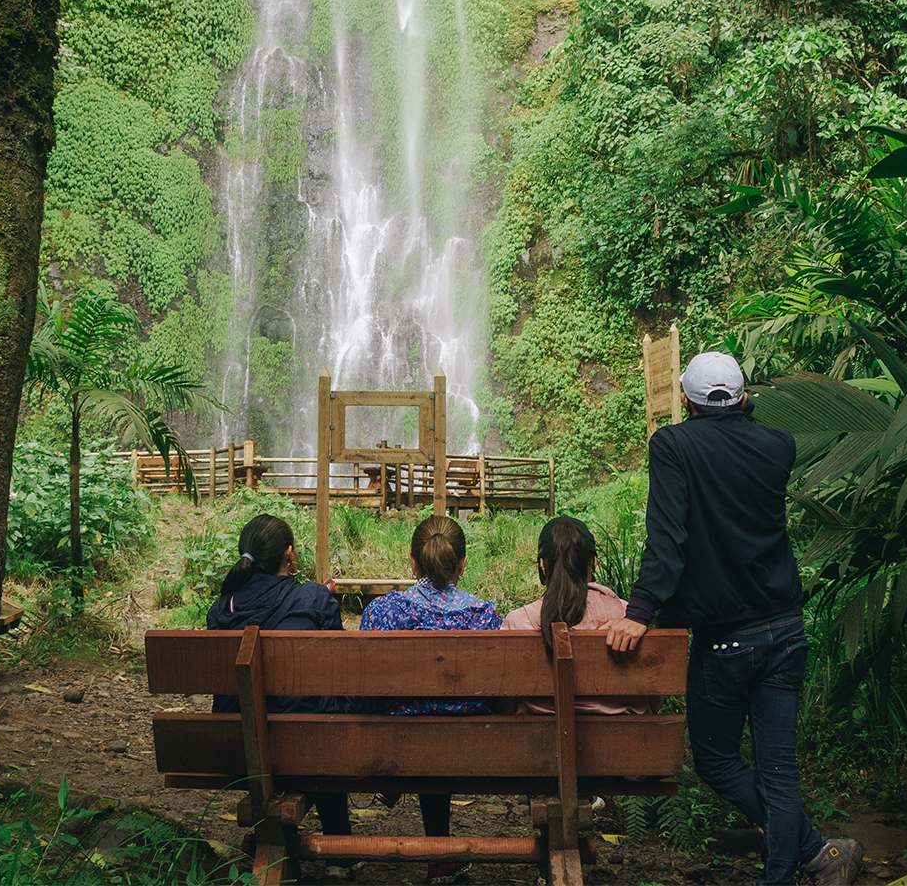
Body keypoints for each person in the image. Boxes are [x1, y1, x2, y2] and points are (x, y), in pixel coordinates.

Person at [601, 352, 863, 886]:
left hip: (725, 641)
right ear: (745, 398)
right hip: (787, 629)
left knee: (717, 761)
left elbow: (668, 538)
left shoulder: (673, 445)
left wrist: (641, 610)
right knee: (780, 772)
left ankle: (811, 854)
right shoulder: (779, 445)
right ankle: (815, 858)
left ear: (687, 403)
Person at [205, 514, 355, 874]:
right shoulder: (314, 598)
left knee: (305, 722)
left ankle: (271, 842)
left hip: (239, 748)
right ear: (290, 555)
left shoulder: (220, 610)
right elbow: (341, 674)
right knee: (321, 719)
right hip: (305, 745)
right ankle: (340, 849)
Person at [357, 515, 500, 885]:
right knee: (444, 727)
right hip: (471, 745)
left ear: (413, 562)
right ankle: (440, 852)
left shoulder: (383, 612)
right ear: (463, 563)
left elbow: (363, 687)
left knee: (415, 723)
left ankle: (400, 793)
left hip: (398, 742)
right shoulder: (484, 616)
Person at [500, 514, 651, 716]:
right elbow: (653, 696)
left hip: (538, 741)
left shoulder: (518, 621)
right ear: (594, 562)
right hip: (629, 740)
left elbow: (505, 703)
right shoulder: (628, 618)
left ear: (543, 565)